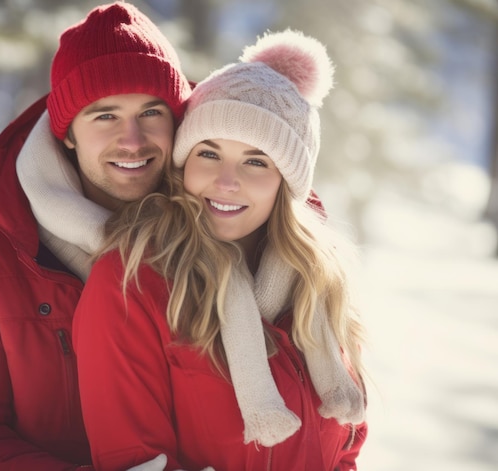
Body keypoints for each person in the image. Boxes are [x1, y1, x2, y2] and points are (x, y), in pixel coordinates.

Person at [0, 3, 192, 470]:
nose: (134, 140)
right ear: (68, 134)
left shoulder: (232, 227)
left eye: (151, 111)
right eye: (105, 116)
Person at [73, 28, 368, 471]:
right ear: (183, 163)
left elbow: (344, 452)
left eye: (255, 161)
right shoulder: (134, 281)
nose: (226, 181)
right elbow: (132, 459)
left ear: (286, 182)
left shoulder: (317, 287)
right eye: (208, 154)